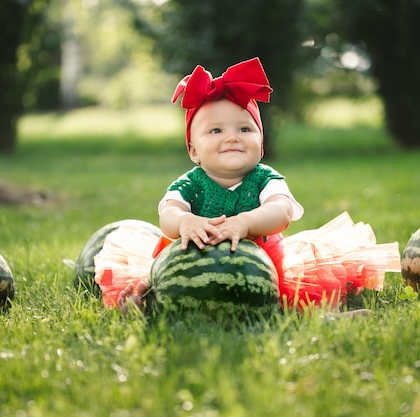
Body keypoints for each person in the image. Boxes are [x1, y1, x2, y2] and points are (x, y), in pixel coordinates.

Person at [93, 57, 401, 317]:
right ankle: (140, 304)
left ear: (261, 143)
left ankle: (329, 318)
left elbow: (281, 211)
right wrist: (185, 221)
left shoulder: (265, 179)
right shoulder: (189, 184)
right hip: (191, 263)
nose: (232, 137)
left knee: (284, 298)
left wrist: (245, 222)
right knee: (158, 286)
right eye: (215, 130)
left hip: (261, 266)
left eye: (244, 128)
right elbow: (168, 215)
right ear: (193, 151)